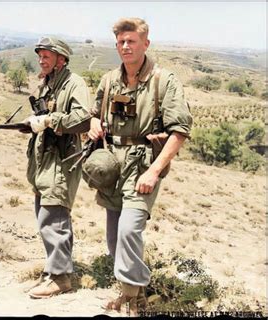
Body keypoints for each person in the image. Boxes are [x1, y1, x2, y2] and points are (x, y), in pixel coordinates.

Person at [87, 18, 192, 316]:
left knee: (129, 231)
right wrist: (94, 123)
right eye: (121, 41)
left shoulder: (164, 81)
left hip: (142, 165)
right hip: (111, 165)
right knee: (112, 236)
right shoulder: (109, 80)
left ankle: (132, 296)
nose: (125, 46)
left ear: (146, 43)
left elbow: (179, 131)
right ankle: (134, 289)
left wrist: (154, 171)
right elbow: (94, 114)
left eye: (131, 41)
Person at [23, 37, 91, 299]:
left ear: (61, 59)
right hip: (44, 159)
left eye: (47, 55)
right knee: (45, 215)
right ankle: (54, 270)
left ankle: (61, 278)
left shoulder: (74, 83)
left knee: (54, 216)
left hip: (62, 160)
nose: (42, 59)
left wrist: (51, 120)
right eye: (40, 55)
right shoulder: (49, 84)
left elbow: (84, 119)